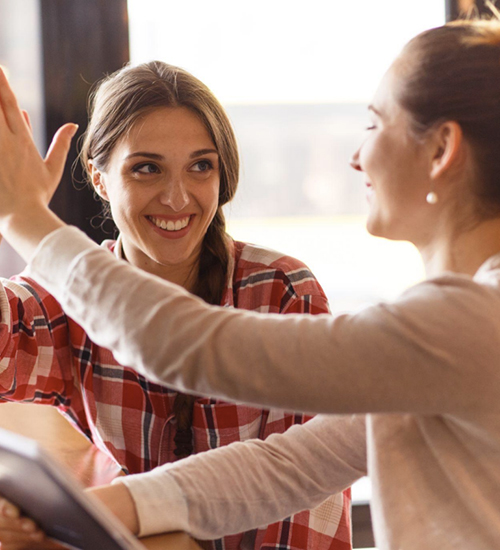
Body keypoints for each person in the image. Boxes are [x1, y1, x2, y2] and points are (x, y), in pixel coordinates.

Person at [1, 9, 500, 550]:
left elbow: (187, 346)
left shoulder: (474, 323)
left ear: (441, 150)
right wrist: (76, 516)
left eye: (374, 123)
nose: (357, 156)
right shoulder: (490, 310)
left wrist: (25, 219)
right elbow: (284, 468)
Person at [0, 62, 352, 550]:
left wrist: (24, 216)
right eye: (147, 168)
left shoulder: (280, 290)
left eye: (200, 166)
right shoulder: (65, 295)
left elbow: (306, 503)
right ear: (99, 179)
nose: (177, 196)